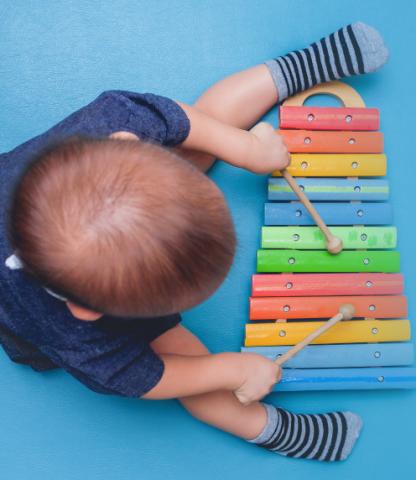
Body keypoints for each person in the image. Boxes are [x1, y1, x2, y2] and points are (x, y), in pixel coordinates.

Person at [0, 22, 388, 461]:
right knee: (189, 362)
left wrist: (245, 149)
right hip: (25, 314)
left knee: (203, 140)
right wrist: (231, 370)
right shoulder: (79, 337)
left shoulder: (112, 121)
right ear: (90, 310)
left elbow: (182, 121)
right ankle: (274, 431)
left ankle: (302, 67)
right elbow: (148, 379)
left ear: (126, 142)